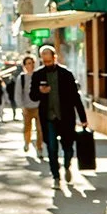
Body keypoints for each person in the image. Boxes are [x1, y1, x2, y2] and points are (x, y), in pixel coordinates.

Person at [29, 45, 87, 189]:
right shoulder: (38, 75)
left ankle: (67, 166)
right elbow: (32, 96)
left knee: (68, 146)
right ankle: (56, 176)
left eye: (49, 61)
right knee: (52, 148)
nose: (47, 64)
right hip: (48, 118)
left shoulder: (66, 74)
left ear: (55, 58)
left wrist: (83, 118)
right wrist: (40, 91)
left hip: (66, 117)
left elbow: (75, 97)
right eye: (44, 61)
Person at [12, 55, 44, 158]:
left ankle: (39, 148)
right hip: (27, 107)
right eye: (28, 63)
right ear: (24, 65)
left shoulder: (39, 75)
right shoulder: (21, 78)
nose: (31, 65)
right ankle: (27, 142)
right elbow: (18, 93)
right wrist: (22, 106)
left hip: (39, 106)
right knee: (27, 127)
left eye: (32, 63)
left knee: (40, 129)